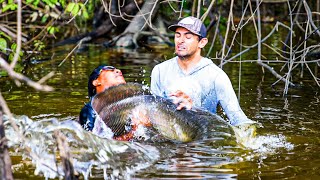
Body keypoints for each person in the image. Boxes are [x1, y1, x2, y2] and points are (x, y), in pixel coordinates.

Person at [150, 16, 256, 127]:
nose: (180, 40)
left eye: (188, 37)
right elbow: (153, 111)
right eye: (178, 35)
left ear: (202, 42)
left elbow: (240, 120)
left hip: (203, 139)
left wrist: (193, 109)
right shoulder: (160, 71)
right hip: (169, 136)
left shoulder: (216, 76)